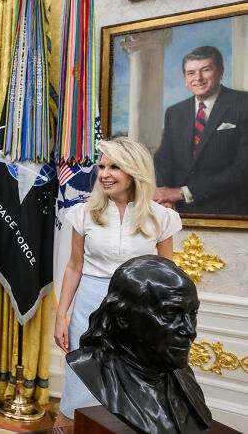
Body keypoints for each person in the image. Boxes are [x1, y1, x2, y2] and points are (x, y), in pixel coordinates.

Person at [53, 137, 182, 425]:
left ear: (135, 171)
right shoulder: (83, 213)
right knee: (80, 387)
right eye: (102, 167)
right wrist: (62, 315)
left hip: (139, 313)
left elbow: (166, 276)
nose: (104, 174)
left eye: (114, 167)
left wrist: (163, 324)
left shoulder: (161, 217)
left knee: (132, 389)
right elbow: (74, 266)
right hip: (89, 307)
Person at [67, 255, 211, 433]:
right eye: (169, 315)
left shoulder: (182, 373)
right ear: (122, 316)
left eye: (192, 314)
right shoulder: (91, 368)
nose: (190, 331)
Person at [153, 45, 248, 215]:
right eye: (191, 73)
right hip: (178, 211)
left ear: (220, 72)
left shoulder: (243, 104)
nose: (198, 78)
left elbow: (243, 169)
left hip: (230, 212)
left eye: (205, 70)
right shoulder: (175, 112)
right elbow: (164, 161)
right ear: (185, 78)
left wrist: (182, 192)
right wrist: (164, 197)